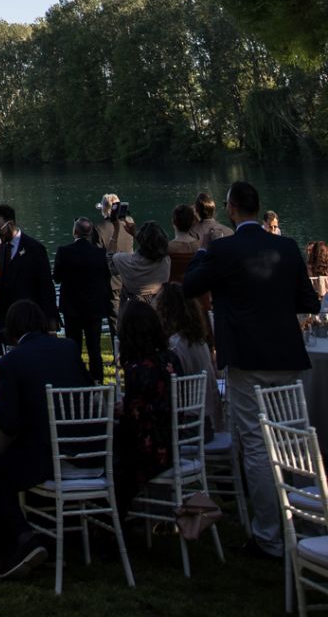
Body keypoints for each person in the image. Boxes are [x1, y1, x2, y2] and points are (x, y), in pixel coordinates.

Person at [184, 179, 320, 560]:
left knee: (257, 446)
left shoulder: (223, 250)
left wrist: (202, 251)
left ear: (231, 209)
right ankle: (309, 523)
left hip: (246, 359)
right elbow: (309, 301)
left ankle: (268, 535)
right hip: (287, 357)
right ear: (257, 208)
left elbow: (190, 286)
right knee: (295, 440)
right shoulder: (286, 247)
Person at [0, 299, 88, 578]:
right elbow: (88, 390)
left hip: (46, 457)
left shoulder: (11, 362)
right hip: (87, 450)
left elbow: (9, 425)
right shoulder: (69, 348)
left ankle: (25, 539)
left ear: (12, 329)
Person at [113, 299, 174, 515]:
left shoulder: (138, 368)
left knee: (110, 447)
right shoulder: (170, 359)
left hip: (150, 448)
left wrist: (122, 410)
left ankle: (116, 513)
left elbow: (135, 419)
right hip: (174, 438)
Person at [155, 281, 222, 437]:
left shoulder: (175, 347)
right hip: (208, 421)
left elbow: (167, 395)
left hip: (190, 425)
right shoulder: (198, 341)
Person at [52, 217, 112, 381]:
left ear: (75, 232)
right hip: (94, 307)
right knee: (95, 348)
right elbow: (106, 277)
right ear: (90, 232)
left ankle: (75, 379)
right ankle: (97, 380)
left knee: (73, 347)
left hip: (72, 307)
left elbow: (57, 278)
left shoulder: (64, 251)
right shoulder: (99, 253)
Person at [0, 205, 57, 330]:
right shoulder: (3, 247)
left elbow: (46, 286)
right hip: (9, 319)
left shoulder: (34, 248)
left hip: (30, 318)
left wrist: (51, 321)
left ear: (10, 224)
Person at [111, 220, 170, 329]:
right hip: (159, 313)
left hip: (132, 316)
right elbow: (154, 247)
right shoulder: (166, 260)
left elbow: (110, 259)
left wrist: (116, 229)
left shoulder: (125, 261)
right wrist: (135, 234)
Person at [168, 203, 201, 284]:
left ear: (173, 222)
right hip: (194, 289)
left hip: (173, 290)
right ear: (192, 222)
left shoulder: (167, 248)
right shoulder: (201, 247)